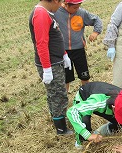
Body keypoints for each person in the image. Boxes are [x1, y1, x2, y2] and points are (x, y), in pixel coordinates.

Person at [29, 0, 73, 136]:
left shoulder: (47, 13)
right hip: (51, 64)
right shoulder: (40, 14)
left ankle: (59, 120)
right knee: (58, 95)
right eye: (60, 2)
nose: (61, 5)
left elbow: (55, 38)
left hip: (56, 61)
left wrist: (64, 54)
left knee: (56, 94)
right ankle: (61, 129)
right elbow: (41, 44)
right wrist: (47, 69)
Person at [66, 81, 122, 148]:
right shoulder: (98, 101)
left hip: (109, 104)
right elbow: (72, 112)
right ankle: (79, 146)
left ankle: (102, 131)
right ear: (114, 108)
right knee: (84, 132)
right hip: (85, 99)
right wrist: (88, 136)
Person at [54, 0, 103, 93]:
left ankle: (87, 96)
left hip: (79, 50)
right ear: (66, 4)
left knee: (84, 75)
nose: (77, 9)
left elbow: (97, 20)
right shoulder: (57, 12)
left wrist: (96, 32)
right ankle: (65, 99)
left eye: (79, 6)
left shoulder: (82, 13)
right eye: (75, 7)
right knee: (65, 78)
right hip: (63, 52)